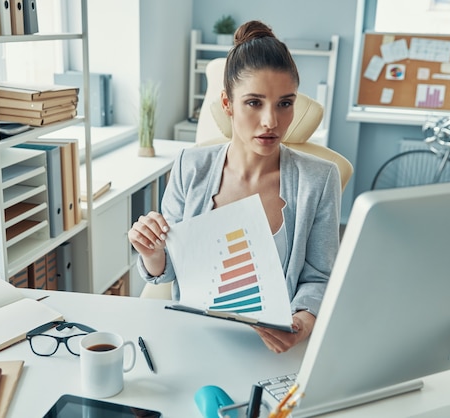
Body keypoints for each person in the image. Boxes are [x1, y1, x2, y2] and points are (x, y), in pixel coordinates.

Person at [128, 20, 341, 353]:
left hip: (273, 349)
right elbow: (166, 271)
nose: (271, 121)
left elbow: (318, 277)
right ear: (227, 104)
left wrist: (302, 324)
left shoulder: (319, 179)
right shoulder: (190, 166)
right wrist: (153, 254)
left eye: (285, 103)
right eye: (254, 103)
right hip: (194, 340)